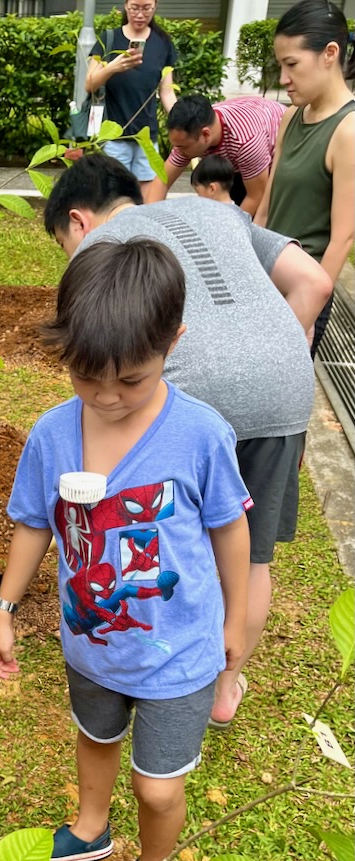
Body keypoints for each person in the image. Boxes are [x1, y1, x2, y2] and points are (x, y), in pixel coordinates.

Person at [0, 239, 251, 861]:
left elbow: (231, 529)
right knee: (95, 737)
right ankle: (90, 826)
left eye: (130, 380)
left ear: (172, 343)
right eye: (85, 376)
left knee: (159, 789)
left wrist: (236, 621)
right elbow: (33, 522)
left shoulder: (199, 435)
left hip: (180, 654)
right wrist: (5, 608)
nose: (106, 397)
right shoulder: (52, 433)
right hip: (91, 645)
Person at [44, 154, 331, 732]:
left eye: (62, 245)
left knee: (159, 526)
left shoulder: (105, 251)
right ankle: (224, 686)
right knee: (250, 549)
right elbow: (316, 282)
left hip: (188, 396)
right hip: (282, 388)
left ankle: (150, 658)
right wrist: (270, 364)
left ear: (78, 221)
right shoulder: (217, 210)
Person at [255, 0, 355, 358]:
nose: (283, 78)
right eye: (280, 65)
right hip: (266, 277)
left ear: (330, 53)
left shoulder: (348, 130)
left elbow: (342, 239)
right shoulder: (291, 116)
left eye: (292, 64)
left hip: (303, 291)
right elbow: (266, 207)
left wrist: (308, 312)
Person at [82, 3, 177, 200]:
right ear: (125, 6)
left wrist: (182, 120)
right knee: (114, 197)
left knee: (147, 198)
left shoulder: (163, 42)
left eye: (146, 8)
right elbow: (89, 84)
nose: (140, 14)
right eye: (134, 8)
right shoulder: (109, 38)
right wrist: (112, 68)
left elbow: (167, 92)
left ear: (155, 7)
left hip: (146, 135)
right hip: (113, 135)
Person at [151, 94, 286, 214]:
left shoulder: (246, 142)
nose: (178, 152)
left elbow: (256, 196)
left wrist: (228, 227)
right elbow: (162, 181)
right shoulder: (191, 134)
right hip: (243, 150)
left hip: (282, 151)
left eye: (183, 147)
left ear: (205, 134)